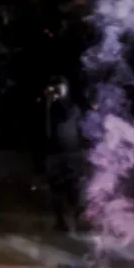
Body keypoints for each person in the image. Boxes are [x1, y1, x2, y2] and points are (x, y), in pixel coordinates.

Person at [42, 76, 84, 233]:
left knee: (74, 188)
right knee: (56, 189)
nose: (56, 91)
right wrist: (47, 103)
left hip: (71, 153)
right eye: (54, 87)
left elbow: (68, 115)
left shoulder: (71, 107)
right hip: (53, 154)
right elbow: (45, 129)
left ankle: (77, 218)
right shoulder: (48, 107)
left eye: (59, 87)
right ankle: (60, 222)